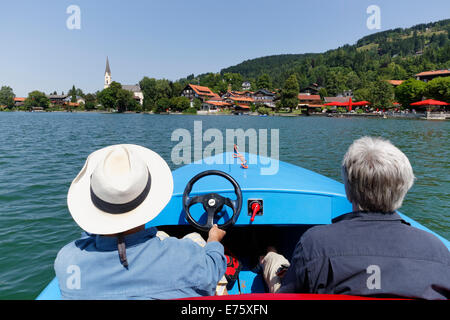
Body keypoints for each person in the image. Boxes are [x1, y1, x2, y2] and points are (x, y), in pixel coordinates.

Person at [260, 136, 450, 299]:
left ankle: (269, 254)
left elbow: (289, 296)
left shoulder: (314, 242)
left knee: (275, 265)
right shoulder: (438, 251)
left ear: (349, 191)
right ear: (404, 189)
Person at [54, 144, 227, 299]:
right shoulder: (184, 256)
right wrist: (213, 240)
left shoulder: (68, 261)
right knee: (194, 236)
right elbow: (213, 268)